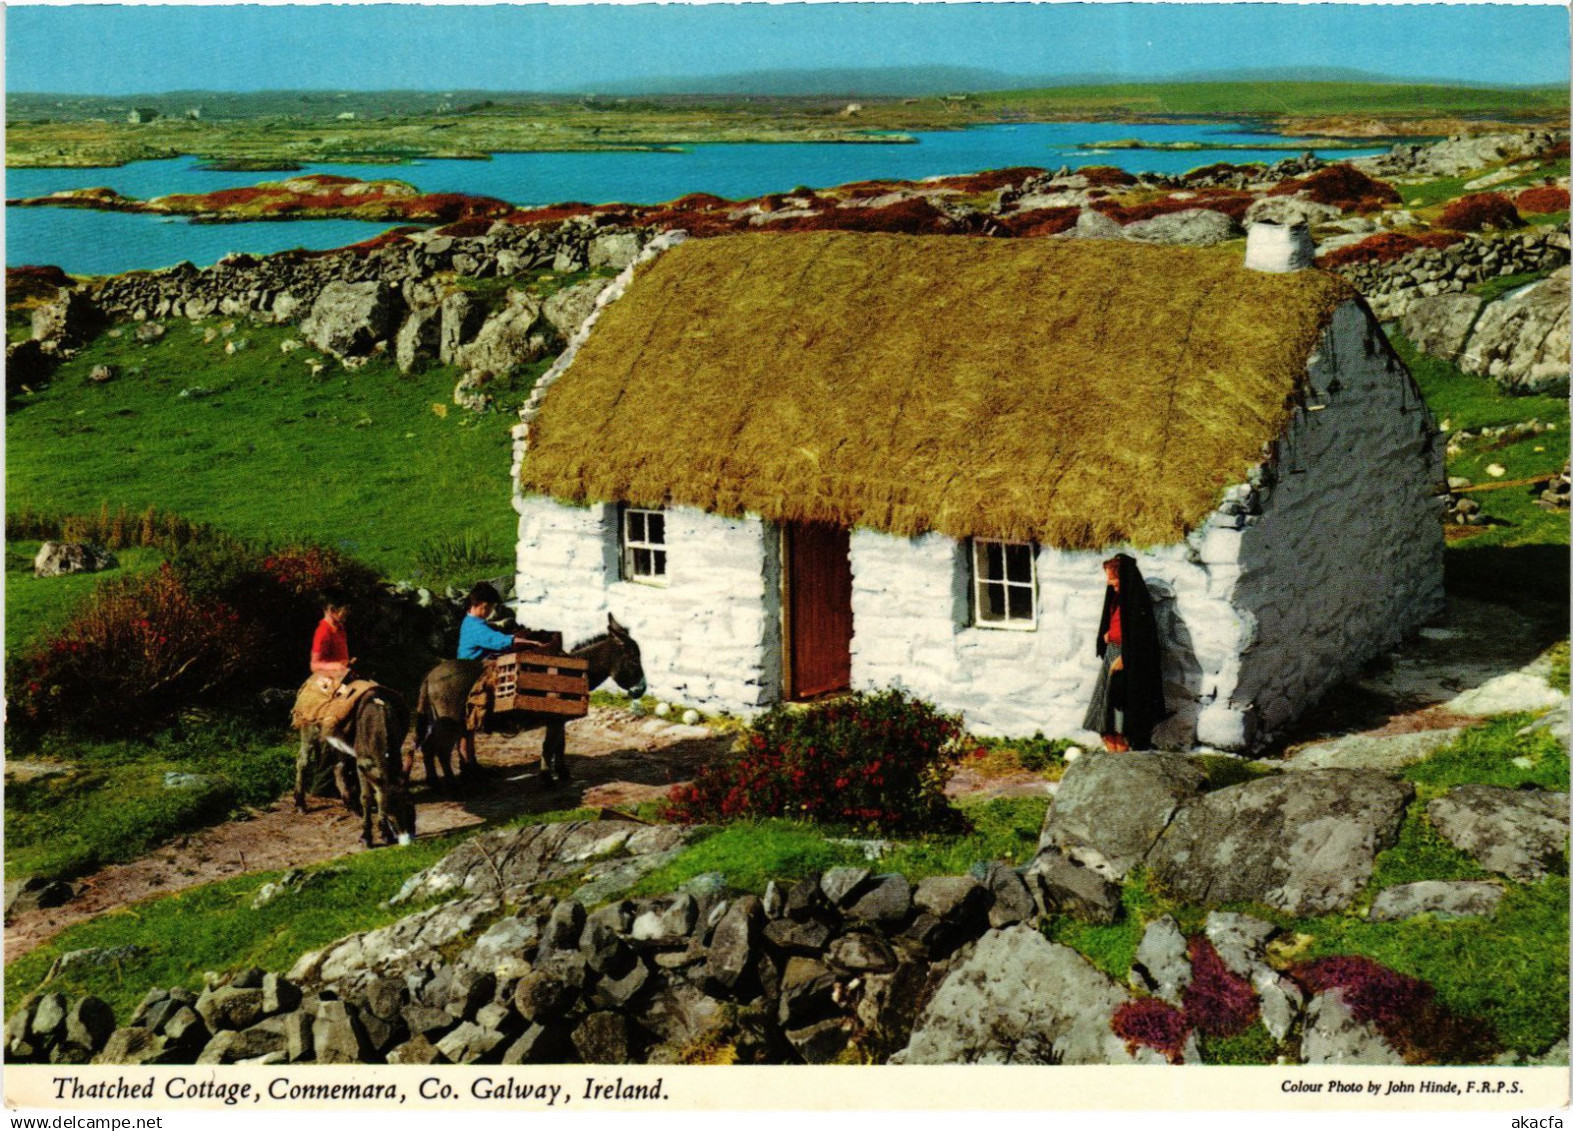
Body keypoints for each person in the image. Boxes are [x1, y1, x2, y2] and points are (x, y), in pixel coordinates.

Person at [1082, 554, 1167, 752]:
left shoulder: (1136, 602)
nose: (1110, 584)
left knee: (1119, 713)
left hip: (1125, 659)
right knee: (1106, 717)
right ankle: (1113, 757)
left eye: (1113, 578)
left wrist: (1124, 659)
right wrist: (1108, 634)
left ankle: (1122, 759)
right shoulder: (1118, 599)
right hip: (1114, 653)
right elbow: (1119, 624)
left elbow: (1140, 636)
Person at [457, 582, 539, 659]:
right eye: (491, 607)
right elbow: (504, 642)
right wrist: (534, 643)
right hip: (473, 668)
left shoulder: (469, 620)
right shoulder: (476, 628)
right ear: (484, 606)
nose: (492, 611)